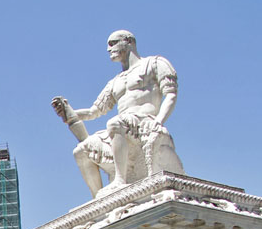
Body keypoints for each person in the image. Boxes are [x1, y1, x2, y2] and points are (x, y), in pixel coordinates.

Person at [52, 30, 182, 198]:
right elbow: (94, 111)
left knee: (115, 123)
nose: (108, 49)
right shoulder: (115, 82)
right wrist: (68, 112)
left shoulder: (154, 63)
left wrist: (159, 121)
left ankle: (120, 180)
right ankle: (98, 200)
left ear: (128, 41)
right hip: (122, 126)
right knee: (81, 151)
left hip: (144, 121)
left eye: (112, 43)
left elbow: (171, 93)